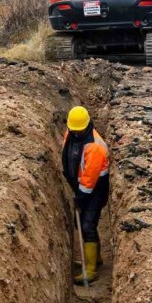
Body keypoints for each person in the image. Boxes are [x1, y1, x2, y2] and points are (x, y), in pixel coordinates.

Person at [62, 106, 110, 282]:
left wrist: (80, 199)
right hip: (81, 187)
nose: (75, 133)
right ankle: (94, 257)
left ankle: (90, 269)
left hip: (95, 189)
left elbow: (89, 179)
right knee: (81, 223)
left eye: (78, 130)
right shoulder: (71, 134)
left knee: (88, 225)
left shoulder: (95, 147)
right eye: (73, 130)